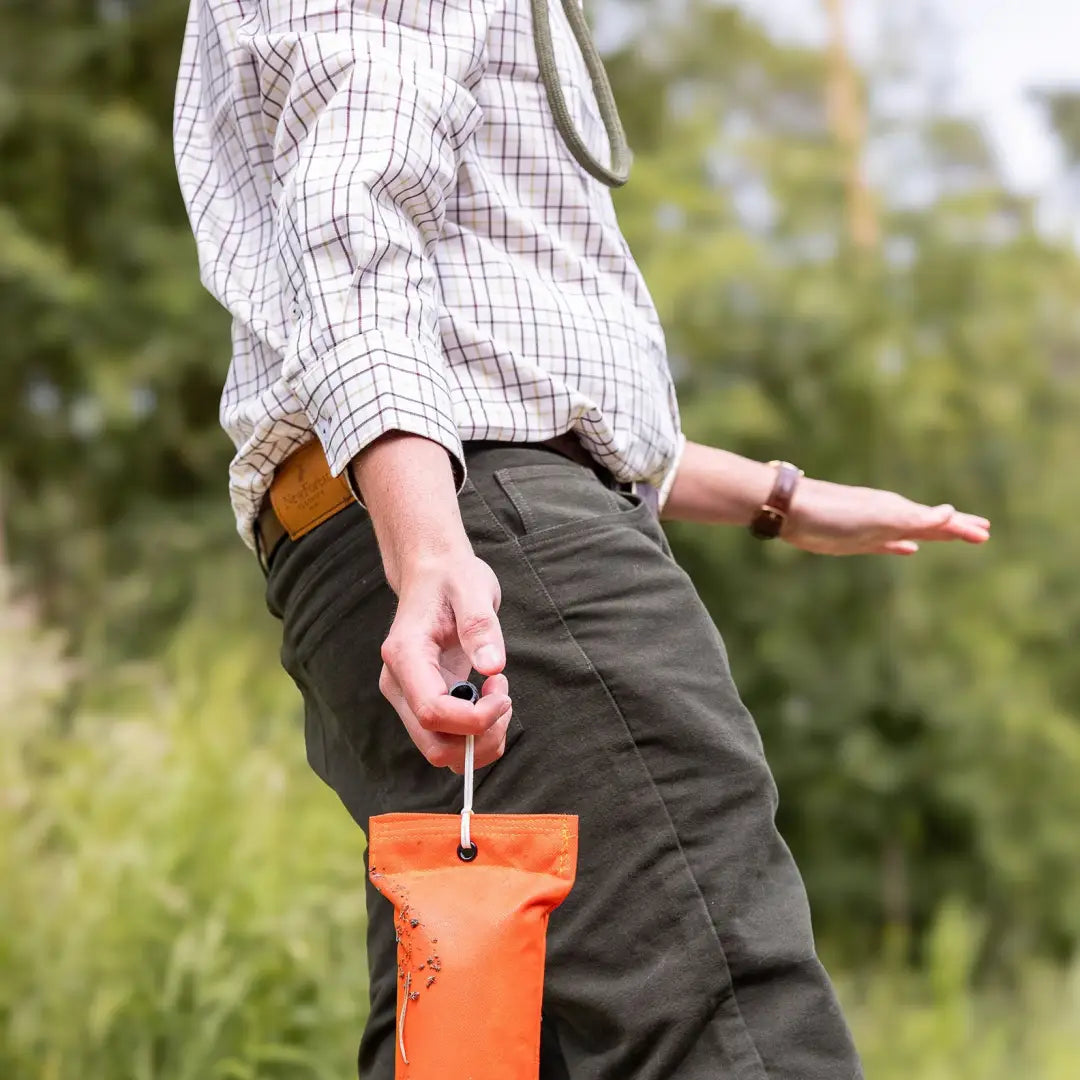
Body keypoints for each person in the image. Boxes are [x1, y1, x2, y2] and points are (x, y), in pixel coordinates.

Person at [174, 2, 989, 1077]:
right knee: (729, 1022)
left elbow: (515, 352)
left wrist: (774, 496)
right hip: (476, 533)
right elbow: (355, 204)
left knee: (476, 1047)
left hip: (415, 517)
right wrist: (429, 550)